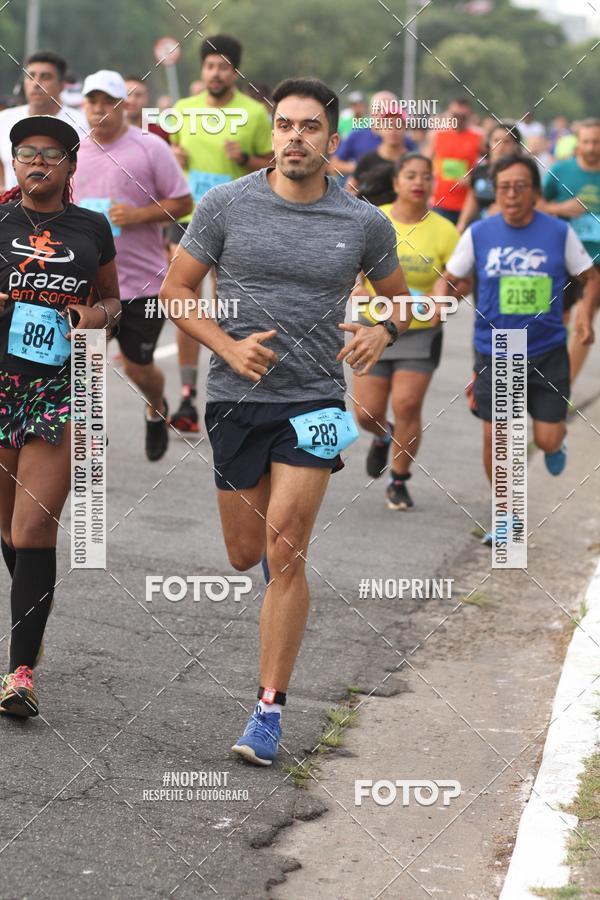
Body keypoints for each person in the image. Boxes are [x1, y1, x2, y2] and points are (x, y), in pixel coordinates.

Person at [161, 77, 411, 765]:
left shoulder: (364, 222)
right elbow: (175, 290)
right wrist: (227, 345)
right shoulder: (224, 205)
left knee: (287, 547)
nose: (294, 137)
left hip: (317, 399)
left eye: (308, 127)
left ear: (332, 138)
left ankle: (268, 711)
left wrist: (381, 333)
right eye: (283, 125)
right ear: (271, 133)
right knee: (247, 553)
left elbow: (400, 301)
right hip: (237, 399)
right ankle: (276, 609)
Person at [0, 116, 121, 716]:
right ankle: (31, 621)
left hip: (61, 389)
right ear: (14, 162)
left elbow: (113, 298)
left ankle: (21, 671)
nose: (37, 162)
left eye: (51, 154)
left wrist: (96, 320)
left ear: (71, 166)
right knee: (6, 529)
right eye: (27, 152)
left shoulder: (92, 227)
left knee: (32, 530)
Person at [437, 154, 600, 544]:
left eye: (520, 187)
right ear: (496, 191)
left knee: (544, 439)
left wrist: (582, 318)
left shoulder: (558, 233)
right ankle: (506, 514)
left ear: (534, 192)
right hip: (497, 350)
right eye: (504, 187)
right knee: (500, 435)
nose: (511, 195)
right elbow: (452, 277)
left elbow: (590, 277)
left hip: (546, 348)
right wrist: (446, 298)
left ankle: (554, 442)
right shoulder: (479, 233)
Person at [73, 70, 192, 461]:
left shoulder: (149, 147)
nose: (99, 109)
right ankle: (89, 436)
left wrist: (139, 216)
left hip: (141, 283)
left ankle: (156, 407)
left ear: (124, 106)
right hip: (87, 284)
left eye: (107, 101)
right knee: (85, 361)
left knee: (140, 368)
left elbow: (182, 202)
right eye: (92, 101)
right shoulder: (72, 150)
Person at [168, 35, 273, 433]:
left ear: (236, 72)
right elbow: (169, 157)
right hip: (185, 217)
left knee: (231, 303)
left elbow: (272, 163)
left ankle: (234, 384)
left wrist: (245, 158)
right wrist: (172, 156)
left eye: (225, 66)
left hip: (235, 219)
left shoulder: (255, 115)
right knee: (184, 301)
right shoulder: (182, 110)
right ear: (202, 70)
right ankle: (185, 396)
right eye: (211, 65)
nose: (216, 73)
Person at [352, 153, 460, 510]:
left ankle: (399, 480)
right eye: (410, 175)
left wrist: (448, 290)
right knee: (366, 413)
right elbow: (352, 260)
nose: (419, 182)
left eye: (426, 176)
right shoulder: (374, 218)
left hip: (420, 330)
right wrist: (353, 284)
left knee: (408, 403)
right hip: (372, 325)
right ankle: (384, 436)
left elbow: (458, 277)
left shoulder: (445, 230)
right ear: (396, 182)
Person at [541, 119, 600, 382]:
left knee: (584, 320)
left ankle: (565, 386)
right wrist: (560, 209)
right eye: (586, 142)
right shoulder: (561, 170)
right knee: (558, 318)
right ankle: (549, 373)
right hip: (562, 257)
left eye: (596, 142)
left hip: (596, 261)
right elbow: (537, 202)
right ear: (578, 144)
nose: (591, 148)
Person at [0, 51, 87, 191]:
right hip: (13, 209)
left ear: (62, 85)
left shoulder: (83, 125)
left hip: (65, 209)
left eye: (45, 77)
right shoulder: (3, 120)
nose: (36, 83)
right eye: (30, 76)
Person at [426, 98, 484, 225]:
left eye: (462, 116)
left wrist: (473, 176)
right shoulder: (437, 135)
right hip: (440, 201)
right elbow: (426, 164)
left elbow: (490, 162)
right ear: (449, 113)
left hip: (467, 204)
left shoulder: (478, 137)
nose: (458, 119)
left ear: (469, 116)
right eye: (455, 115)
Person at [457, 121, 523, 233]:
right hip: (481, 229)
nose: (500, 146)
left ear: (515, 146)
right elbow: (472, 199)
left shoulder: (523, 173)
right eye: (496, 140)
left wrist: (504, 209)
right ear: (489, 144)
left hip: (513, 229)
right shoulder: (479, 171)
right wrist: (461, 225)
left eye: (506, 142)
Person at [331, 92, 416, 177]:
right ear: (371, 111)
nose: (383, 113)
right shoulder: (357, 135)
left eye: (389, 108)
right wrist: (361, 167)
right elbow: (334, 164)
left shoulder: (403, 140)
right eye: (378, 108)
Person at [346, 109, 409, 198]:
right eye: (388, 125)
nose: (393, 130)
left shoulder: (410, 161)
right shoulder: (367, 159)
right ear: (379, 128)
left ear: (405, 128)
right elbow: (351, 187)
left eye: (398, 125)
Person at [124, 76, 170, 142]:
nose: (132, 100)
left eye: (138, 95)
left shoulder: (160, 134)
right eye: (127, 94)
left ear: (146, 98)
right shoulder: (109, 135)